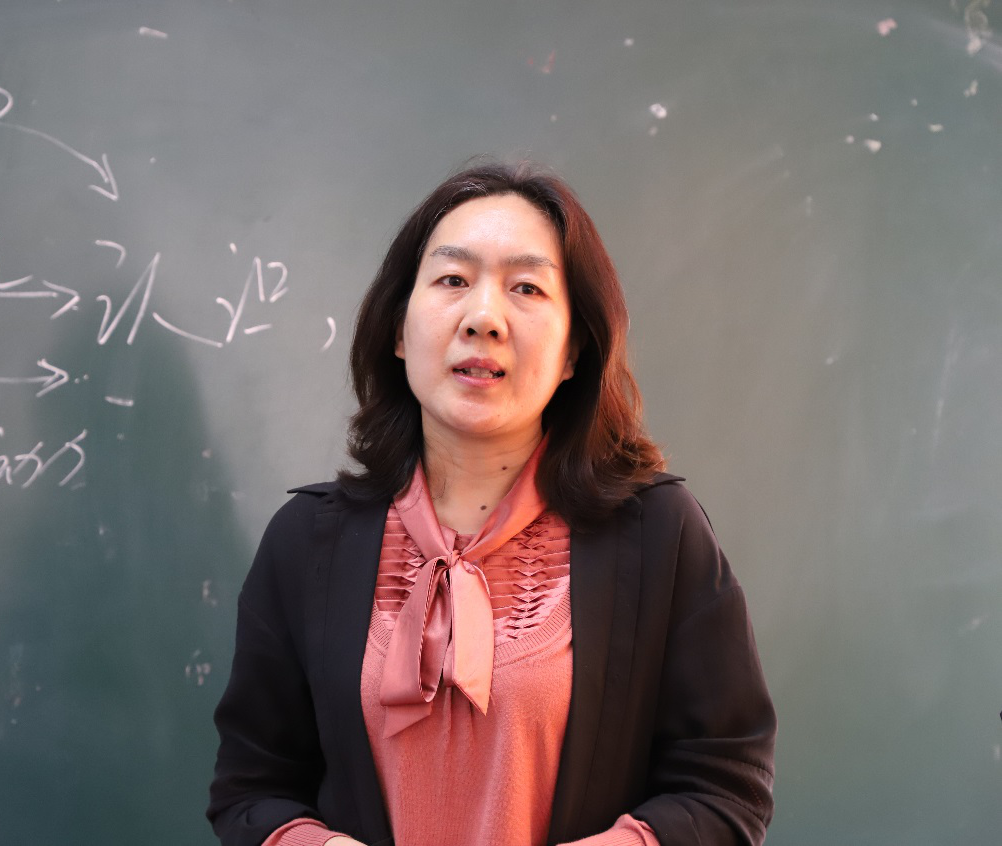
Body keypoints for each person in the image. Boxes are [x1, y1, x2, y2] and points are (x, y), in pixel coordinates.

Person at [207, 160, 776, 846]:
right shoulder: (305, 541)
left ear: (573, 351)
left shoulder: (657, 533)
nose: (483, 318)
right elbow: (251, 790)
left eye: (527, 287)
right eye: (452, 280)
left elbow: (724, 788)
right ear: (397, 331)